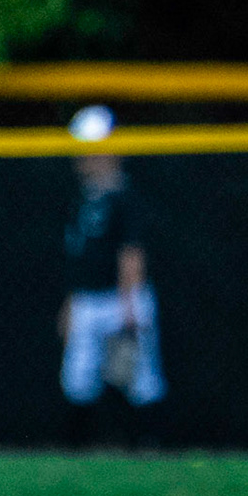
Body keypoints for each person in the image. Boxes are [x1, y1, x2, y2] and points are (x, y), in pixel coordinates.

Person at [59, 106, 165, 445]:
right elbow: (80, 258)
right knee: (78, 378)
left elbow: (131, 253)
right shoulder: (82, 198)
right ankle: (78, 455)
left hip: (120, 299)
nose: (85, 156)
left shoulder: (124, 196)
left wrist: (130, 306)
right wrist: (71, 304)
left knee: (139, 378)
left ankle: (148, 447)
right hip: (88, 300)